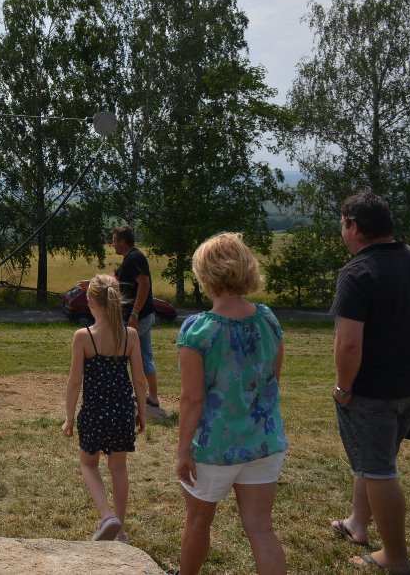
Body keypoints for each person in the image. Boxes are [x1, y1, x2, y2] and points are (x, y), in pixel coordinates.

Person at [175, 232, 287, 575]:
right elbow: (273, 380)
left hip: (213, 448)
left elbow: (192, 398)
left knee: (198, 522)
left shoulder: (197, 331)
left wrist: (182, 451)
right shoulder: (268, 320)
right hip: (263, 442)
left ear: (205, 274)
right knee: (262, 528)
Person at [329, 193, 410, 575]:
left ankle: (395, 558)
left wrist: (343, 387)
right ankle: (358, 523)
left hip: (373, 391)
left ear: (354, 226)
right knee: (374, 460)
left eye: (342, 224)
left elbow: (348, 343)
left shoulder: (357, 272)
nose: (342, 231)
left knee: (378, 469)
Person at [62, 274, 147, 543]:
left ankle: (107, 515)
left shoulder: (83, 337)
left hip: (94, 413)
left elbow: (75, 382)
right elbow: (140, 380)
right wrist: (142, 412)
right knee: (118, 468)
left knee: (89, 464)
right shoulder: (130, 335)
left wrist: (69, 418)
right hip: (122, 412)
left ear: (90, 302)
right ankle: (120, 531)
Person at [112, 225, 159, 408]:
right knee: (145, 356)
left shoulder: (134, 258)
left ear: (122, 241)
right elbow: (116, 279)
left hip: (137, 317)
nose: (113, 244)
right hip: (143, 316)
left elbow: (144, 284)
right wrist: (92, 283)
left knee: (120, 354)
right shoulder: (129, 259)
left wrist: (134, 313)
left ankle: (121, 394)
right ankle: (152, 397)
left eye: (114, 241)